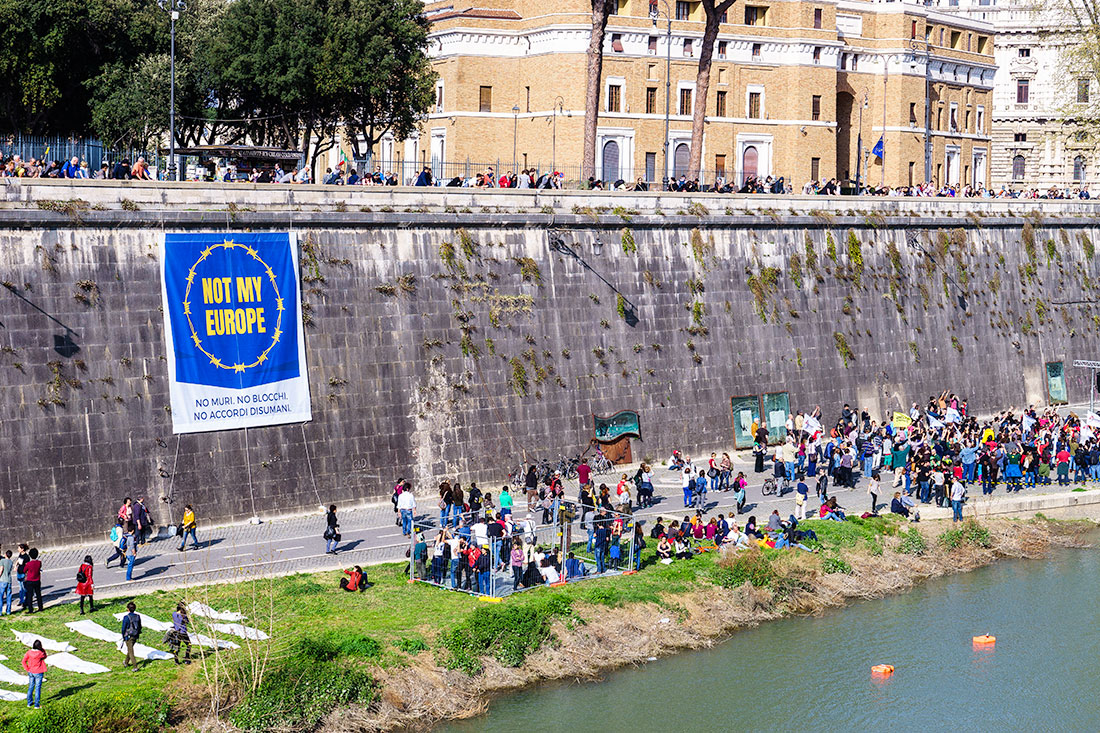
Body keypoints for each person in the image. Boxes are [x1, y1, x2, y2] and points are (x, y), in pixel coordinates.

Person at [22, 639, 46, 708]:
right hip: (38, 672)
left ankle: (29, 703)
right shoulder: (40, 653)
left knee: (31, 687)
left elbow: (23, 661)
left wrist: (27, 669)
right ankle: (36, 705)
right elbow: (45, 656)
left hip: (31, 671)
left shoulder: (29, 652)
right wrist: (42, 649)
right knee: (37, 688)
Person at [121, 602, 142, 670]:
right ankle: (126, 662)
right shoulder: (138, 616)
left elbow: (123, 628)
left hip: (128, 636)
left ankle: (135, 666)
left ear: (128, 609)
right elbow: (140, 626)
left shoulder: (126, 617)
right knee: (130, 650)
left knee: (131, 652)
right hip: (135, 635)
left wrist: (124, 636)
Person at [22, 548, 42, 614]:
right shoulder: (39, 562)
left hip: (30, 580)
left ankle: (31, 609)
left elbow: (24, 570)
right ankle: (40, 607)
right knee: (38, 594)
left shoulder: (28, 564)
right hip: (37, 580)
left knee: (30, 595)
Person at [0, 549, 12, 615]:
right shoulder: (11, 562)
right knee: (9, 596)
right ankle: (8, 611)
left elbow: (1, 570)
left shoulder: (2, 561)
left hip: (2, 580)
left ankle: (0, 611)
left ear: (5, 555)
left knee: (1, 597)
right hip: (9, 580)